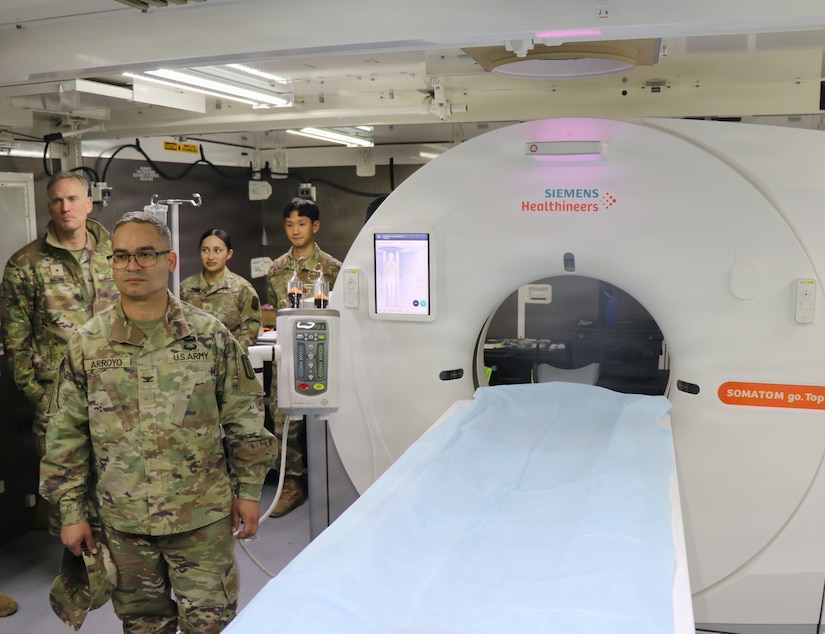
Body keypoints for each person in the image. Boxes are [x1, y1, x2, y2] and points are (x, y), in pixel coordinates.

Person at [40, 211, 276, 634]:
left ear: (169, 260)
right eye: (122, 255)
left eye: (146, 254)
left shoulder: (210, 335)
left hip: (201, 519)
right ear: (111, 263)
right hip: (123, 522)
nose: (133, 265)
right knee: (143, 626)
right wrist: (71, 512)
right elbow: (65, 435)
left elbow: (245, 419)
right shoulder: (87, 344)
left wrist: (250, 491)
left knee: (210, 624)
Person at [1, 171, 119, 459]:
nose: (66, 207)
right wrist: (42, 399)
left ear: (89, 203)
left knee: (120, 490)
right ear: (50, 207)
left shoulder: (117, 254)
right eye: (57, 200)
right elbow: (16, 341)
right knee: (62, 494)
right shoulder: (25, 264)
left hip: (117, 394)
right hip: (59, 400)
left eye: (73, 199)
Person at [266, 197, 341, 517]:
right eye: (290, 224)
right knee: (284, 424)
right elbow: (275, 311)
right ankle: (291, 484)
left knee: (332, 419)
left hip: (324, 356)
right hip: (288, 359)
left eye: (302, 224)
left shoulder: (333, 269)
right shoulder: (276, 270)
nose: (295, 231)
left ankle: (334, 480)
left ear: (315, 226)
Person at [180, 228, 262, 351]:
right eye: (205, 250)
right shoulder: (185, 288)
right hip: (194, 360)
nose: (211, 256)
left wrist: (234, 357)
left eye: (217, 250)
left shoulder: (242, 289)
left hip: (230, 360)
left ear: (229, 254)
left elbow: (250, 331)